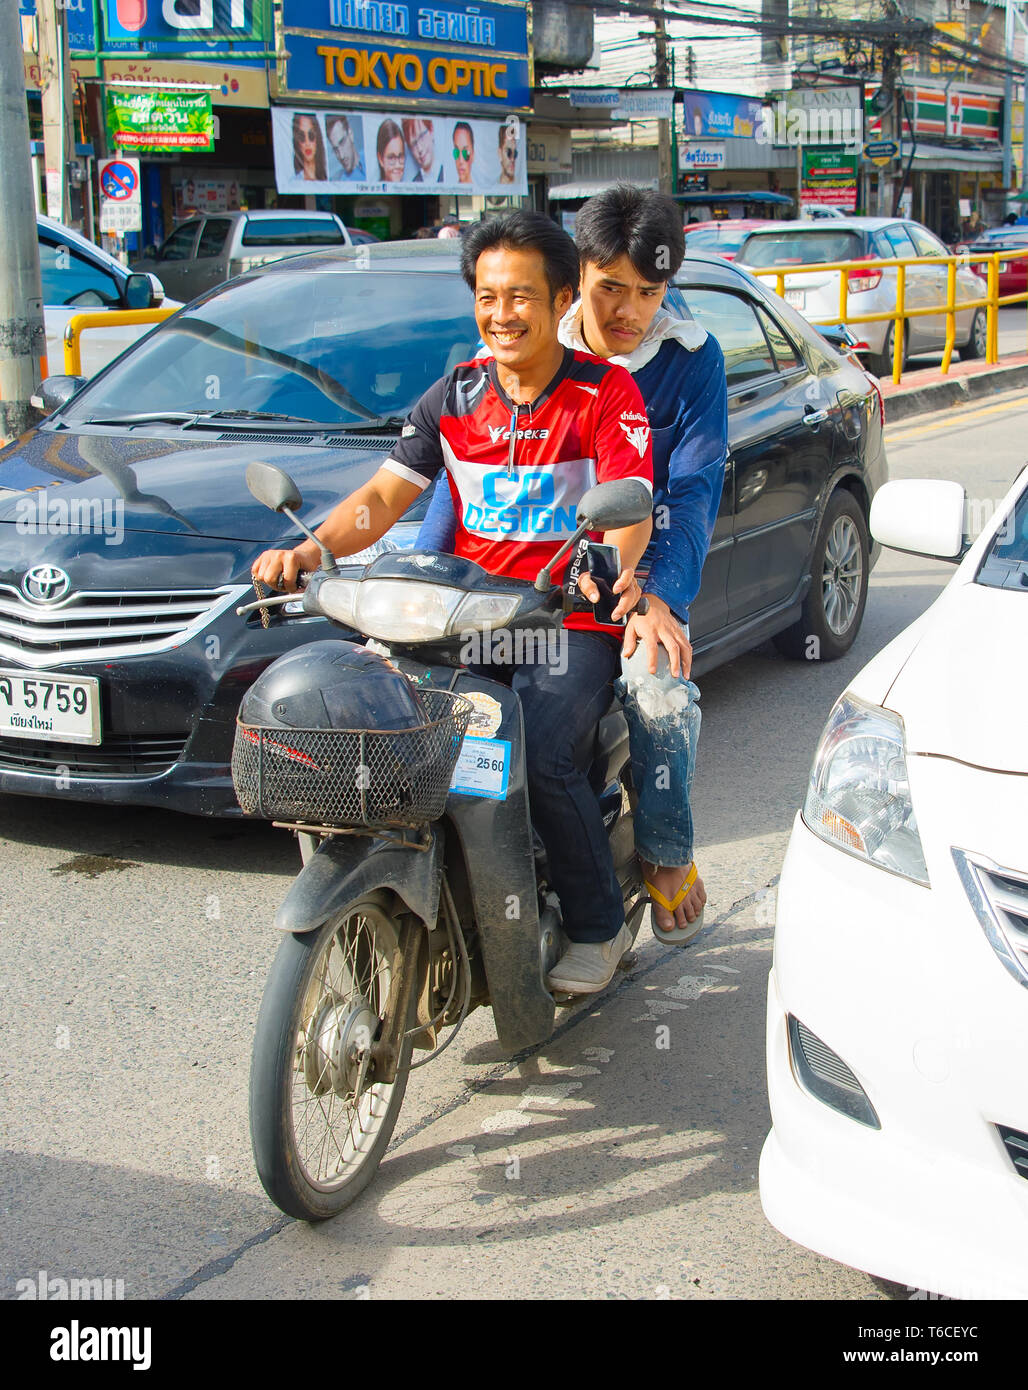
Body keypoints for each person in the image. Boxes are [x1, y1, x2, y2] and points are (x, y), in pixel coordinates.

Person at [252, 211, 654, 995]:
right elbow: (381, 496)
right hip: (462, 618)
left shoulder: (607, 393)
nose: (502, 314)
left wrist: (600, 570)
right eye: (488, 296)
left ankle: (596, 927)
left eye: (522, 297)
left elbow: (631, 505)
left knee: (540, 751)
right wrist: (312, 552)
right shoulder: (455, 396)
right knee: (378, 730)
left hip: (557, 622)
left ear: (562, 298)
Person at [417, 184, 729, 944]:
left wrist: (652, 594)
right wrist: (422, 581)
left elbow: (687, 495)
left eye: (648, 293)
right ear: (576, 279)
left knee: (657, 690)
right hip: (508, 591)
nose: (627, 312)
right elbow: (463, 474)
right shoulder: (525, 340)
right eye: (609, 290)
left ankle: (663, 853)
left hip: (627, 581)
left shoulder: (689, 361)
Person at [403, 117, 443, 183]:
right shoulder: (413, 185)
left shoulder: (448, 175)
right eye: (414, 144)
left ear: (431, 130)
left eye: (421, 136)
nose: (420, 149)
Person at [326, 114, 365, 180]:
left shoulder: (372, 159)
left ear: (350, 134)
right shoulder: (338, 181)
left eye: (342, 143)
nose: (341, 156)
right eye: (336, 150)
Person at [293, 113, 327, 182]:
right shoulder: (295, 182)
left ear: (317, 138)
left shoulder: (328, 179)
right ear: (297, 142)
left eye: (311, 135)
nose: (307, 143)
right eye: (302, 136)